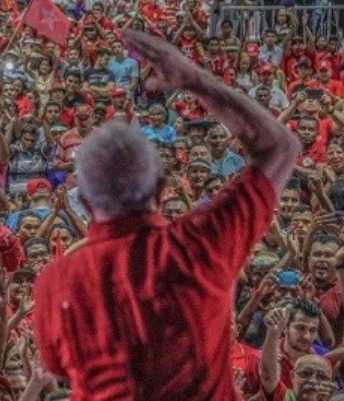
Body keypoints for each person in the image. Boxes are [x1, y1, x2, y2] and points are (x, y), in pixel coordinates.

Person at [33, 31, 301, 400]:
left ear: (85, 202)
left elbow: (58, 366)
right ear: (161, 189)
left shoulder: (57, 281)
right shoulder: (200, 244)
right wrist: (195, 80)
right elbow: (281, 147)